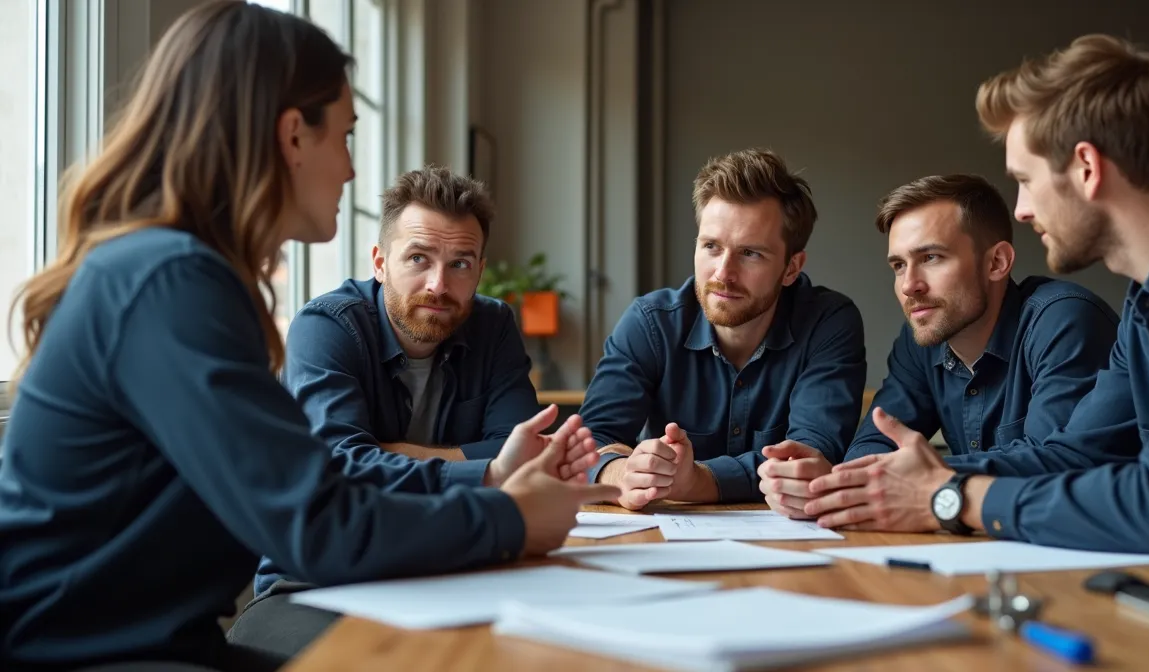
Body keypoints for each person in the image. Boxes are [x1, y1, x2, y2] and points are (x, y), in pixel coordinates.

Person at [0, 3, 616, 671]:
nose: (351, 170)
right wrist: (512, 518)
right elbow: (318, 523)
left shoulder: (176, 273)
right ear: (294, 136)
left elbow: (316, 490)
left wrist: (498, 490)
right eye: (345, 136)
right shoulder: (171, 282)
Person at [800, 34, 1149, 586]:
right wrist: (889, 480)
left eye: (1024, 179)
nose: (1020, 210)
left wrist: (951, 497)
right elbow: (1077, 454)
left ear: (1087, 168)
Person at [232, 165, 544, 658]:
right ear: (379, 262)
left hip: (453, 562)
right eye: (418, 258)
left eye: (461, 263)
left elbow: (523, 454)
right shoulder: (326, 327)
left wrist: (391, 454)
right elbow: (341, 465)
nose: (438, 285)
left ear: (481, 269)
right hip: (315, 581)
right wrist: (486, 472)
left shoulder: (493, 325)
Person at [758, 174, 1119, 520]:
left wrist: (916, 476)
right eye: (899, 265)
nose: (908, 286)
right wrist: (841, 481)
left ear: (997, 262)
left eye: (931, 258)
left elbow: (1055, 465)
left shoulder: (1063, 320)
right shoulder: (922, 341)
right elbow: (875, 442)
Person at [580, 148, 867, 510]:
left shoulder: (829, 322)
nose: (723, 274)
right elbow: (590, 443)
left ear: (792, 268)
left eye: (750, 253)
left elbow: (808, 459)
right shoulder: (650, 322)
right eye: (711, 246)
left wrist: (699, 480)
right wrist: (624, 474)